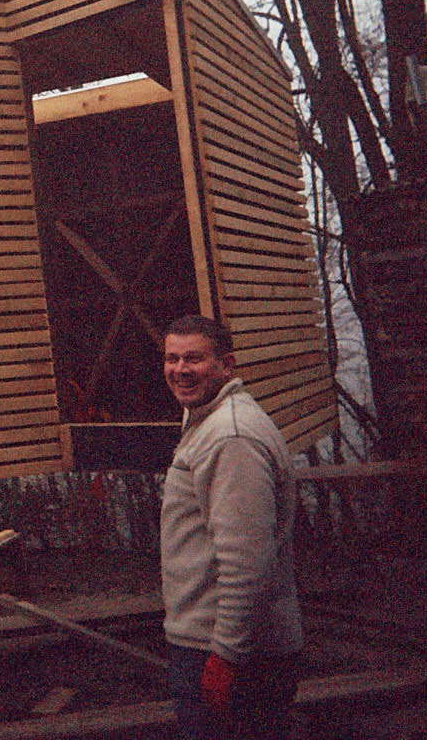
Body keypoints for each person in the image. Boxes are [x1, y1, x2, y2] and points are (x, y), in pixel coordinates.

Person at [159, 314, 303, 740]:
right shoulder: (207, 420)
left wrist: (226, 656)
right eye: (171, 358)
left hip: (236, 656)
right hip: (218, 646)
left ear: (227, 364)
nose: (180, 369)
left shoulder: (230, 436)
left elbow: (247, 563)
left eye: (194, 358)